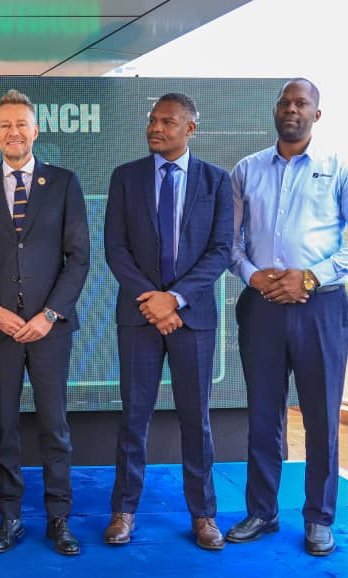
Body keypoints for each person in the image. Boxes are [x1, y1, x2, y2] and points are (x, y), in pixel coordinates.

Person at [227, 78, 348, 556]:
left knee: (321, 416)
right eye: (284, 102)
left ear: (317, 114)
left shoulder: (340, 169)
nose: (291, 109)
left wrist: (311, 277)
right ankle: (262, 512)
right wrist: (253, 275)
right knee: (263, 415)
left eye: (301, 103)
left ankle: (319, 518)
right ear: (275, 111)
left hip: (321, 307)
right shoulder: (246, 169)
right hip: (262, 307)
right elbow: (229, 241)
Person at [0, 89, 90, 556]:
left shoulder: (64, 183)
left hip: (49, 329)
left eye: (21, 124)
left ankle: (59, 518)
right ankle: (10, 516)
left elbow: (79, 258)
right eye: (4, 125)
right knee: (4, 425)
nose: (13, 132)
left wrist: (49, 314)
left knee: (54, 426)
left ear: (36, 130)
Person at [102, 93, 234, 550]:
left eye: (168, 122)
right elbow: (116, 248)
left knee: (196, 420)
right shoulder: (126, 177)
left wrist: (174, 300)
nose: (156, 128)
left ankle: (204, 515)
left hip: (192, 320)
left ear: (190, 128)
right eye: (153, 120)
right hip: (139, 317)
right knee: (133, 418)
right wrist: (152, 302)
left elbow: (221, 250)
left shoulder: (216, 181)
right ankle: (124, 511)